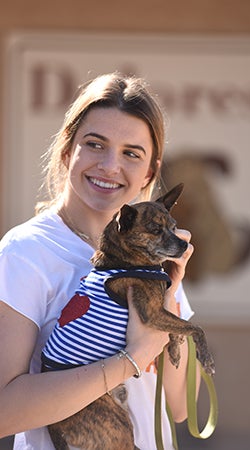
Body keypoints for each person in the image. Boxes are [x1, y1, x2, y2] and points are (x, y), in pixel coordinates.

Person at [0, 72, 199, 449]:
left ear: (150, 172)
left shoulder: (150, 260)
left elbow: (179, 407)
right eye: (95, 144)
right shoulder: (26, 252)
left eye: (131, 153)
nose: (110, 166)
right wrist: (132, 358)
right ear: (66, 150)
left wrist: (170, 292)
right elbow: (4, 411)